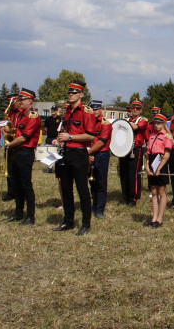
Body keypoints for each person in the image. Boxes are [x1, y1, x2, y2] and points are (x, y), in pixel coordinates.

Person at [53, 81, 98, 235]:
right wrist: (60, 138)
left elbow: (91, 135)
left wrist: (70, 137)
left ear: (81, 94)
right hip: (66, 153)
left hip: (79, 153)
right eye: (69, 92)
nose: (70, 94)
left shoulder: (87, 111)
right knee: (66, 189)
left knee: (82, 190)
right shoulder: (66, 111)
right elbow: (65, 130)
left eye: (74, 92)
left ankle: (86, 224)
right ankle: (68, 221)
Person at [2, 89, 41, 225]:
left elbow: (25, 137)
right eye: (19, 100)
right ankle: (18, 213)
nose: (19, 102)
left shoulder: (33, 116)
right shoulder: (18, 115)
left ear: (30, 101)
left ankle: (30, 216)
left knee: (26, 185)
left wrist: (10, 144)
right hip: (15, 151)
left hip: (25, 152)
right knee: (16, 184)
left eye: (22, 100)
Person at [144, 113, 173, 228]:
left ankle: (160, 218)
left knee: (161, 191)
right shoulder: (151, 136)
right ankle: (154, 217)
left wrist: (159, 168)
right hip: (151, 162)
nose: (156, 125)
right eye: (155, 123)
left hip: (161, 163)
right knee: (154, 192)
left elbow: (166, 155)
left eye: (158, 123)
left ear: (163, 124)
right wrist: (146, 166)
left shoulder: (167, 137)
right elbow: (147, 153)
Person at [120, 100, 147, 206]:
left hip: (135, 149)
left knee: (133, 174)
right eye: (133, 108)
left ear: (141, 110)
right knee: (124, 174)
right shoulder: (127, 119)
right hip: (125, 149)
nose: (135, 110)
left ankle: (133, 198)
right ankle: (125, 196)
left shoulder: (143, 120)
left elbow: (136, 127)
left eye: (138, 108)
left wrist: (126, 124)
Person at [88, 101, 112, 219]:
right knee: (92, 182)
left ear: (101, 110)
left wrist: (89, 152)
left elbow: (101, 142)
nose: (94, 112)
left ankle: (99, 209)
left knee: (101, 183)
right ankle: (93, 206)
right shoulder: (89, 122)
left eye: (96, 109)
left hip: (101, 155)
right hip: (90, 154)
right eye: (92, 109)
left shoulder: (105, 123)